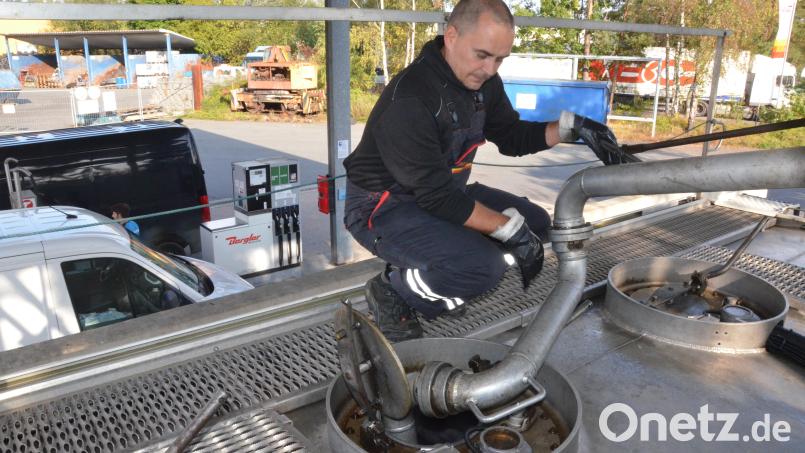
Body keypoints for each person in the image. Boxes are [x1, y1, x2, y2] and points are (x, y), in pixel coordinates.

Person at [344, 0, 631, 342]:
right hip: (383, 207)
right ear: (451, 36)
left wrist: (571, 128)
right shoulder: (411, 98)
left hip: (444, 192)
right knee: (482, 266)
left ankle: (442, 274)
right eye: (482, 55)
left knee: (536, 224)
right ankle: (394, 289)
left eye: (499, 59)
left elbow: (511, 136)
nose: (490, 69)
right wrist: (505, 229)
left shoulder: (483, 83)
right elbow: (437, 199)